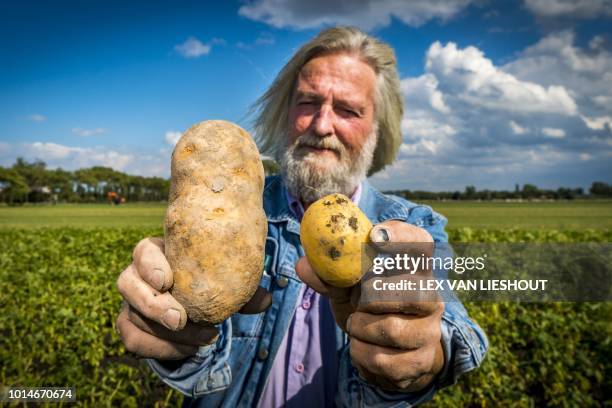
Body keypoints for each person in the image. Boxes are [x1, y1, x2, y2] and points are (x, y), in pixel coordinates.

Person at [116, 26, 488, 407]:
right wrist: (174, 336)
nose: (322, 125)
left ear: (378, 130)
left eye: (348, 110)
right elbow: (200, 362)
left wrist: (420, 355)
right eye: (308, 102)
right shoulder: (231, 211)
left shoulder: (413, 225)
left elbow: (453, 331)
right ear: (285, 112)